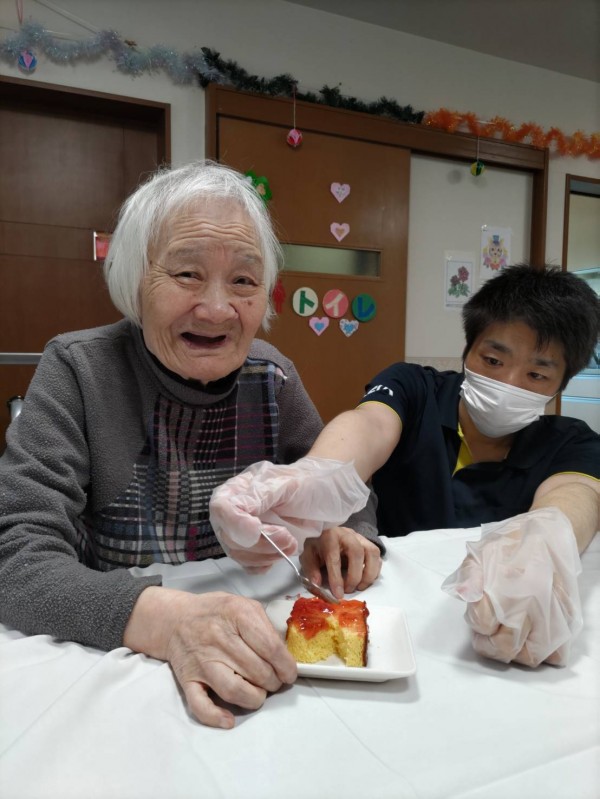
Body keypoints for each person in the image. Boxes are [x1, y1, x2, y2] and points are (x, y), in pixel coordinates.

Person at [0, 160, 382, 730]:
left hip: (259, 648)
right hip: (119, 660)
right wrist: (168, 621)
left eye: (244, 281)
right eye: (186, 274)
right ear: (134, 281)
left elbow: (345, 486)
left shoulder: (272, 376)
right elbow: (16, 558)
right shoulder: (80, 370)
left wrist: (343, 530)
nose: (218, 309)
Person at [215, 265, 600, 667]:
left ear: (562, 384)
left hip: (482, 643)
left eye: (536, 374)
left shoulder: (573, 442)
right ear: (468, 350)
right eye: (492, 360)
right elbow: (369, 426)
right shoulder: (415, 388)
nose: (508, 383)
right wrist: (314, 475)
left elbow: (576, 496)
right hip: (389, 626)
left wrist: (543, 544)